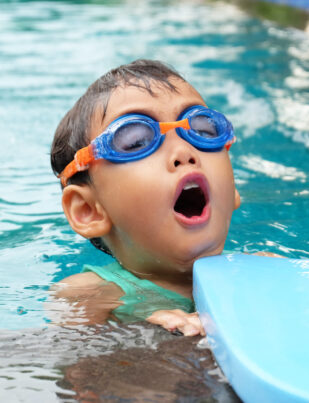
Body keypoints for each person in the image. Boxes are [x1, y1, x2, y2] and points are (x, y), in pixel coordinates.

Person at [50, 59, 241, 336]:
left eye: (203, 130)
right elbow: (69, 371)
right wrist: (151, 342)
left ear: (233, 190)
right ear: (89, 210)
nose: (184, 153)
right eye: (137, 141)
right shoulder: (89, 295)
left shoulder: (258, 271)